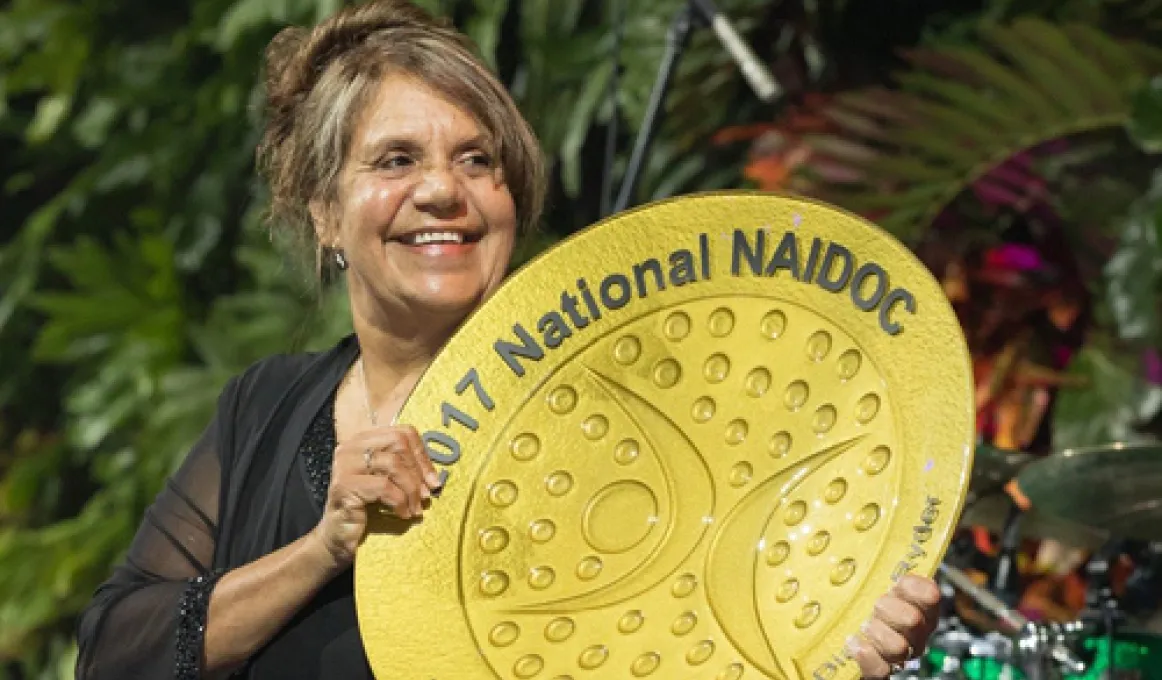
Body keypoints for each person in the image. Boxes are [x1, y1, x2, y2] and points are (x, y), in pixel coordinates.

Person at [74, 1, 941, 678]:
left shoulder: (602, 422)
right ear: (326, 213)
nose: (444, 191)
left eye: (478, 160)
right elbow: (117, 653)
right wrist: (324, 549)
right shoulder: (265, 406)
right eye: (396, 160)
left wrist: (830, 653)